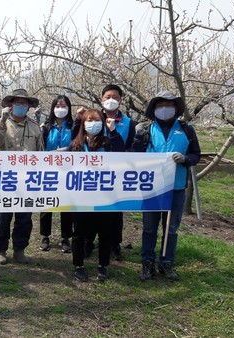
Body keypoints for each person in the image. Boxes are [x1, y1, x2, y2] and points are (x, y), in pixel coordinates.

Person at [130, 91, 201, 281]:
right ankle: (147, 263)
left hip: (176, 188)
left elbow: (196, 155)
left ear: (176, 108)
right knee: (149, 228)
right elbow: (134, 156)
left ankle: (166, 263)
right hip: (152, 187)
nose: (164, 109)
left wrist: (185, 159)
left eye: (169, 105)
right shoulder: (145, 130)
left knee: (171, 228)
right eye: (160, 105)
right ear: (154, 109)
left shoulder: (186, 130)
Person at [69, 108, 125, 282]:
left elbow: (121, 154)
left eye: (97, 120)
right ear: (83, 124)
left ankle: (103, 266)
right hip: (81, 195)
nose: (93, 124)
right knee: (79, 232)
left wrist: (113, 131)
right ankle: (79, 266)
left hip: (104, 195)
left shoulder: (108, 143)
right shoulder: (76, 145)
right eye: (89, 120)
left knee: (104, 232)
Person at [83, 84, 137, 260]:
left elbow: (130, 147)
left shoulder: (128, 123)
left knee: (115, 211)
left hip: (117, 174)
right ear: (101, 99)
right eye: (107, 97)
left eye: (115, 97)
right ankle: (88, 242)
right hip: (92, 173)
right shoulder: (93, 118)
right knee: (90, 209)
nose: (111, 100)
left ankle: (114, 244)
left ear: (120, 100)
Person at [0, 88, 43, 265]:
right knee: (3, 216)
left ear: (29, 106)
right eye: (17, 102)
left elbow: (41, 152)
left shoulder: (35, 127)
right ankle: (1, 250)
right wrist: (1, 123)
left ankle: (19, 250)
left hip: (27, 179)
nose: (20, 106)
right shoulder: (2, 122)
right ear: (11, 104)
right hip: (6, 178)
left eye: (24, 103)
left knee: (24, 217)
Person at [39, 95, 74, 253]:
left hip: (68, 171)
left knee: (66, 205)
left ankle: (65, 237)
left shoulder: (73, 126)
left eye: (64, 105)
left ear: (69, 108)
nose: (61, 108)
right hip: (49, 170)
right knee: (47, 204)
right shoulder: (46, 127)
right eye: (58, 105)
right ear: (53, 108)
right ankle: (45, 236)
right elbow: (41, 147)